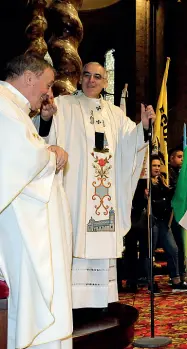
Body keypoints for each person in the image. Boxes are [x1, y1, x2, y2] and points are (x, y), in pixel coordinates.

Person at [37, 61, 156, 309]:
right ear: (81, 78)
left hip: (105, 195)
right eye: (88, 75)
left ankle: (101, 299)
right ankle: (71, 302)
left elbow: (130, 144)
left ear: (105, 81)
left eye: (98, 77)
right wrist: (46, 118)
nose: (92, 80)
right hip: (76, 192)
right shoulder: (64, 106)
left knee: (101, 242)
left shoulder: (114, 114)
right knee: (74, 238)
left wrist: (144, 126)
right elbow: (43, 137)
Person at [0, 54, 72, 349]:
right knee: (30, 297)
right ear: (29, 77)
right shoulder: (4, 107)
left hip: (25, 224)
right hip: (21, 228)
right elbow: (22, 162)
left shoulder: (13, 109)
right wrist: (52, 154)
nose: (48, 92)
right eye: (48, 83)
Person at [147, 155, 187, 291]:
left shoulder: (162, 180)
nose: (157, 168)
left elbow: (169, 196)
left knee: (173, 249)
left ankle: (176, 280)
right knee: (150, 252)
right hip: (152, 222)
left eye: (158, 165)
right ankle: (150, 282)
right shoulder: (145, 183)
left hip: (164, 222)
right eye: (154, 165)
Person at [168, 148, 186, 283]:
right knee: (175, 247)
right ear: (171, 158)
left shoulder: (181, 172)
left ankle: (181, 273)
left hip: (179, 212)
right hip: (170, 214)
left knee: (179, 246)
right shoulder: (168, 173)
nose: (182, 159)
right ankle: (176, 276)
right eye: (179, 157)